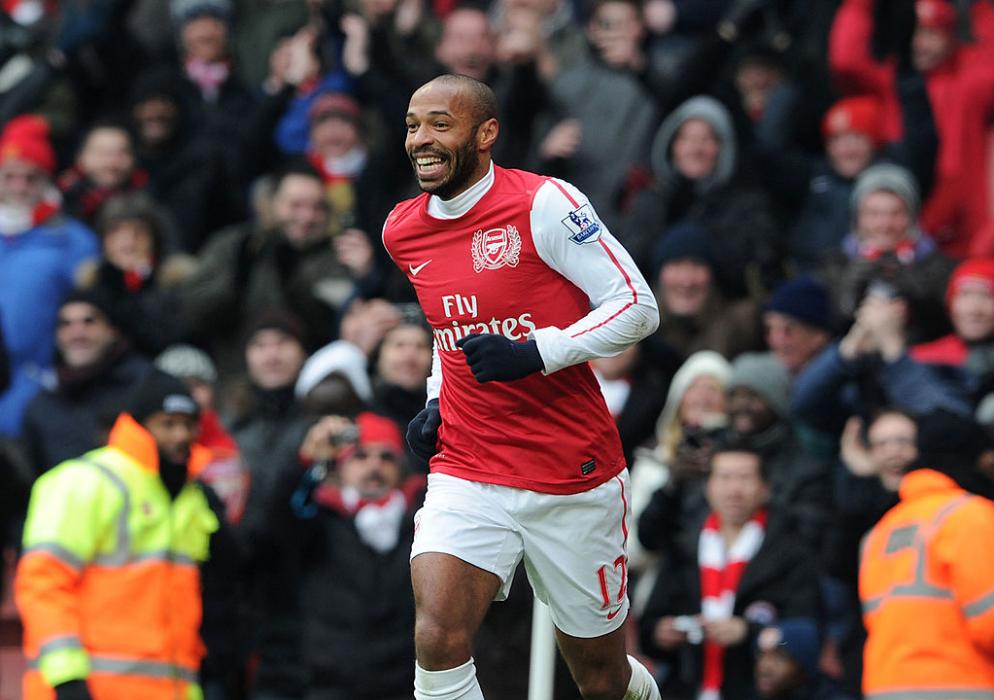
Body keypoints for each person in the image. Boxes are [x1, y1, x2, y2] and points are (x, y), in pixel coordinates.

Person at [383, 74, 660, 699]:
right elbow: (447, 327)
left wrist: (539, 351)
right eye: (411, 125)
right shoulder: (403, 230)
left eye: (439, 125)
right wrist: (434, 399)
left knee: (600, 679)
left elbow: (638, 307)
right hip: (469, 465)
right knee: (437, 635)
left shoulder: (545, 204)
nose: (420, 140)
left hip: (572, 473)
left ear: (485, 134)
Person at [15, 369, 227, 700]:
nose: (180, 435)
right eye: (167, 423)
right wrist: (66, 677)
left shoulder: (191, 498)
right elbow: (44, 583)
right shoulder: (87, 482)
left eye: (188, 424)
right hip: (89, 689)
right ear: (141, 425)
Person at [638, 444, 824, 700]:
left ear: (765, 488)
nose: (734, 490)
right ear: (708, 486)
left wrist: (749, 632)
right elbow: (650, 623)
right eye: (724, 478)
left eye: (745, 478)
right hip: (687, 687)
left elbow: (807, 631)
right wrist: (661, 633)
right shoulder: (685, 546)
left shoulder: (791, 549)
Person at [860, 409, 994, 698]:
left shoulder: (881, 531)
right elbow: (990, 622)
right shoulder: (971, 516)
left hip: (886, 686)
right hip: (961, 685)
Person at [21, 291, 151, 474]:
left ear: (112, 331)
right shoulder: (41, 408)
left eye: (89, 321)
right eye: (66, 324)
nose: (77, 333)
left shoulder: (145, 387)